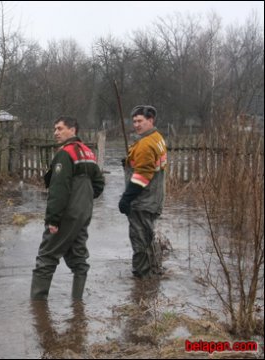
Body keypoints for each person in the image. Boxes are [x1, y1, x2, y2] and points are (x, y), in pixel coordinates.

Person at [31, 116, 105, 301]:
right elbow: (99, 184)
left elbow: (58, 189)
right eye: (55, 129)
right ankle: (77, 305)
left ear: (73, 130)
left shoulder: (65, 154)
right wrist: (84, 202)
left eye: (60, 128)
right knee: (78, 259)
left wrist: (53, 219)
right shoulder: (88, 152)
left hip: (65, 214)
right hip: (83, 214)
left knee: (46, 258)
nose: (55, 132)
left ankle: (37, 307)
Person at [118, 105, 167, 278]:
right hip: (155, 197)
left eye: (140, 121)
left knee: (139, 239)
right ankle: (154, 270)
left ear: (150, 120)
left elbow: (142, 176)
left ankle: (142, 279)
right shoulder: (156, 137)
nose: (136, 125)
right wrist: (129, 161)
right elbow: (147, 164)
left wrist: (125, 199)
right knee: (147, 236)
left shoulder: (146, 144)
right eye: (134, 121)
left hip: (143, 200)